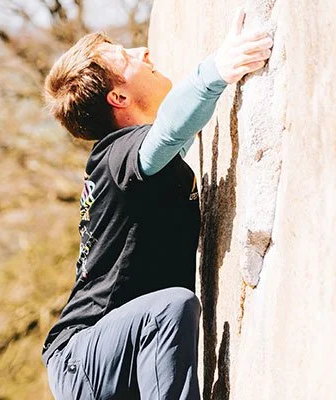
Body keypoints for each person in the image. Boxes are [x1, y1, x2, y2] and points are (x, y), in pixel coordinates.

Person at [42, 8, 273, 400]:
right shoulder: (115, 156)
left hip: (107, 358)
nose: (143, 50)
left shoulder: (133, 167)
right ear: (118, 96)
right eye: (126, 57)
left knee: (168, 310)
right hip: (81, 358)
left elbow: (177, 136)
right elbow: (166, 135)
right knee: (171, 309)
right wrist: (216, 70)